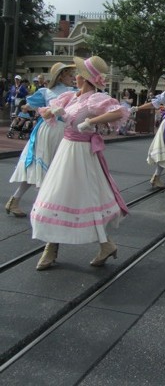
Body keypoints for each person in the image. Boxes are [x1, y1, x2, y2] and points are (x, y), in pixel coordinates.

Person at [30, 56, 130, 271]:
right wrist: (55, 111)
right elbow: (47, 112)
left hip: (83, 154)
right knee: (56, 195)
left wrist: (91, 121)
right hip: (66, 151)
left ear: (85, 77)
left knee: (83, 199)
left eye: (78, 73)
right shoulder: (70, 98)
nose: (75, 76)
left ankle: (102, 245)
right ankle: (54, 245)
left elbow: (119, 112)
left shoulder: (94, 99)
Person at [5, 63, 76, 218]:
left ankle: (15, 201)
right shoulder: (47, 91)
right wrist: (42, 109)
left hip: (63, 131)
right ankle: (44, 209)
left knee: (48, 170)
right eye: (71, 75)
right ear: (61, 75)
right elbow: (26, 107)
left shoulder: (75, 92)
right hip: (50, 131)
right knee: (45, 170)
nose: (74, 78)